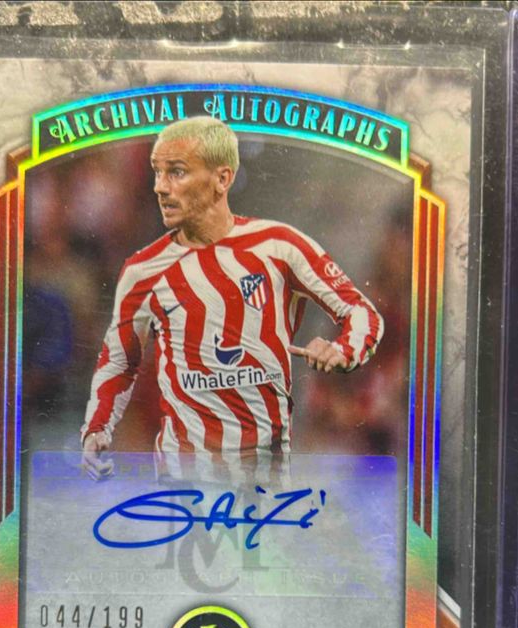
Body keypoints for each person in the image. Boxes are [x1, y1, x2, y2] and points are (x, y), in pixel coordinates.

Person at [82, 117, 384, 480]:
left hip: (264, 486)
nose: (160, 187)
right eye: (157, 172)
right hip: (182, 485)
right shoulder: (141, 270)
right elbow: (119, 361)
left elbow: (360, 311)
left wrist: (343, 350)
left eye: (176, 172)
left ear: (222, 179)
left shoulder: (280, 246)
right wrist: (97, 428)